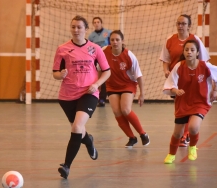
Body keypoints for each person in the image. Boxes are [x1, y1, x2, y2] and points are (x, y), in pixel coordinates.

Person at [52, 15, 111, 179]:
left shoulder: (95, 49)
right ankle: (89, 141)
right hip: (67, 96)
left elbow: (107, 71)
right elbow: (55, 73)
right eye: (73, 27)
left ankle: (66, 166)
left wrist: (96, 85)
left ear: (86, 29)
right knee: (79, 129)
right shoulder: (62, 49)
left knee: (77, 127)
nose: (76, 30)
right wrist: (60, 74)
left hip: (89, 93)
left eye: (79, 27)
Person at [163, 39, 217, 164]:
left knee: (193, 127)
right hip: (183, 103)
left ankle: (192, 147)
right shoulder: (179, 66)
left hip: (200, 102)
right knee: (177, 133)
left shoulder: (204, 66)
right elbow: (170, 84)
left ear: (197, 53)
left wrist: (214, 90)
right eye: (186, 50)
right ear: (183, 52)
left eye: (192, 50)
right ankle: (171, 154)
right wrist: (175, 90)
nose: (189, 52)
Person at [159, 14, 210, 147]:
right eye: (178, 23)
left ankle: (186, 135)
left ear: (189, 25)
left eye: (183, 23)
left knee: (191, 106)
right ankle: (183, 132)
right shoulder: (170, 40)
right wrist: (166, 70)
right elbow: (165, 59)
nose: (180, 26)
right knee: (180, 106)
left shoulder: (196, 40)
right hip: (177, 80)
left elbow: (204, 61)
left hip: (193, 79)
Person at [102, 30, 150, 148]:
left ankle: (143, 134)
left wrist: (142, 94)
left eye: (117, 40)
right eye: (112, 40)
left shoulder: (129, 55)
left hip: (127, 84)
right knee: (116, 111)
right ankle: (131, 137)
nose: (115, 42)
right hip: (112, 85)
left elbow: (139, 75)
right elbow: (99, 69)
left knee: (125, 109)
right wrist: (98, 86)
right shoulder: (104, 51)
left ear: (123, 41)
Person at [88, 17, 112, 107]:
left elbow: (111, 45)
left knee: (106, 77)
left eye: (98, 22)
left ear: (101, 23)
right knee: (98, 78)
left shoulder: (108, 33)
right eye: (94, 22)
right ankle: (98, 98)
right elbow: (89, 48)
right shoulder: (91, 36)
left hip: (106, 58)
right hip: (95, 59)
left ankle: (103, 98)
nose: (96, 23)